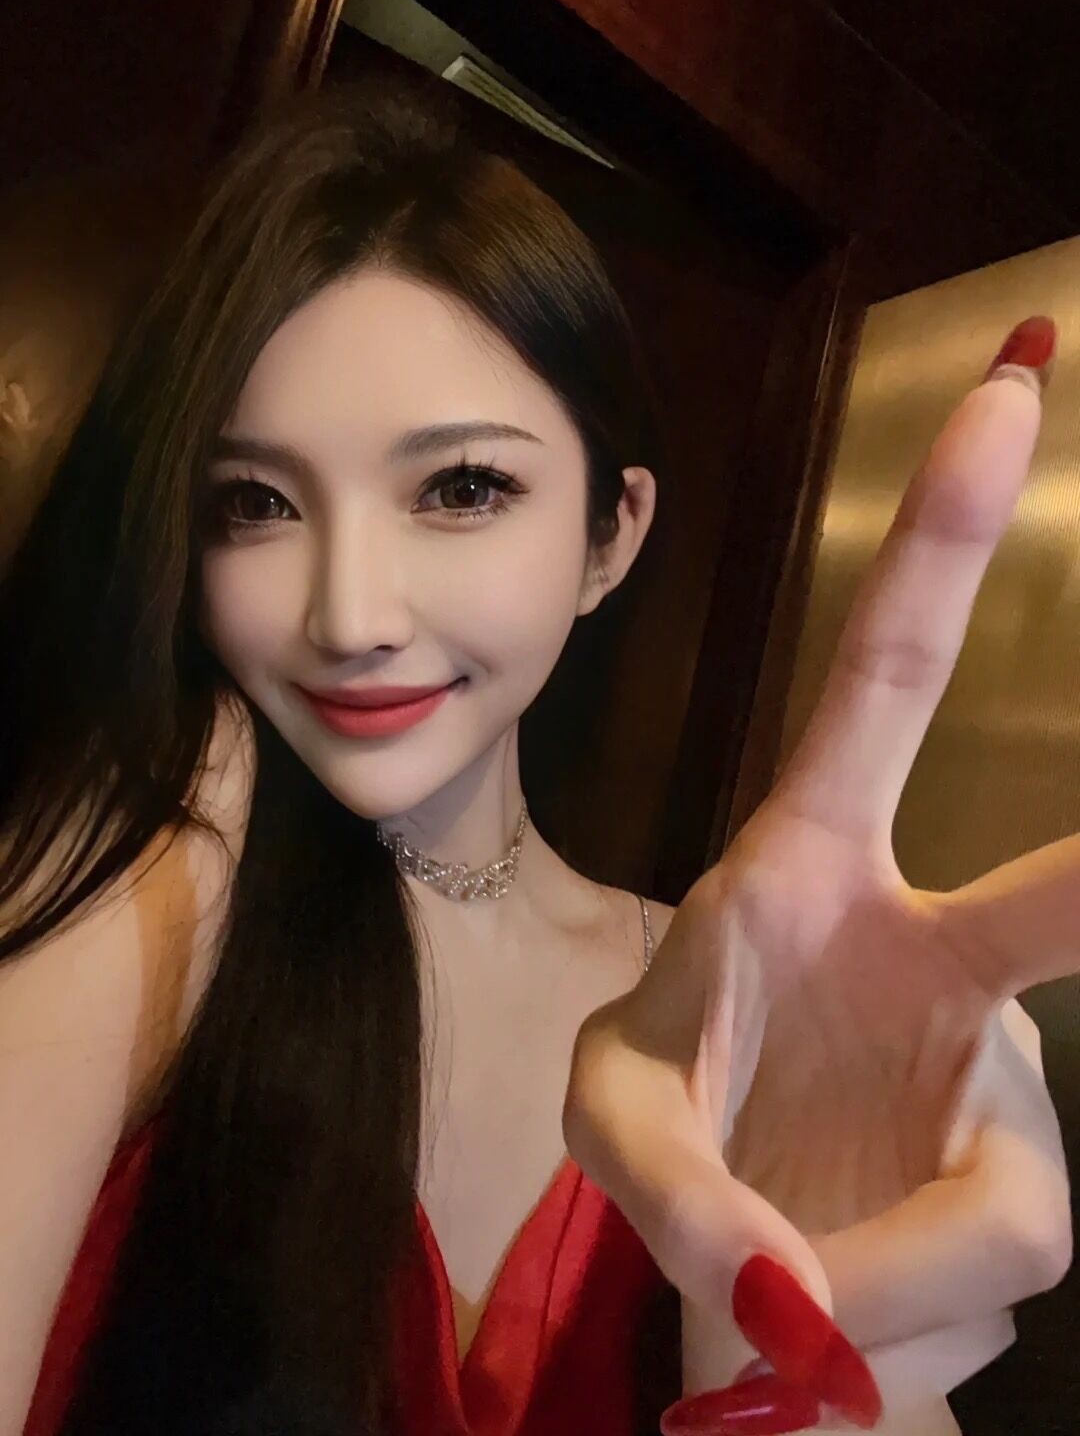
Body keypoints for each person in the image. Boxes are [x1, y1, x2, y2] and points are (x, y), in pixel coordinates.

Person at [0, 74, 1070, 1436]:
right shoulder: (167, 845)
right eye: (255, 502)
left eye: (461, 488)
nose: (349, 618)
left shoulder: (726, 998)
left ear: (610, 538)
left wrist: (823, 1342)